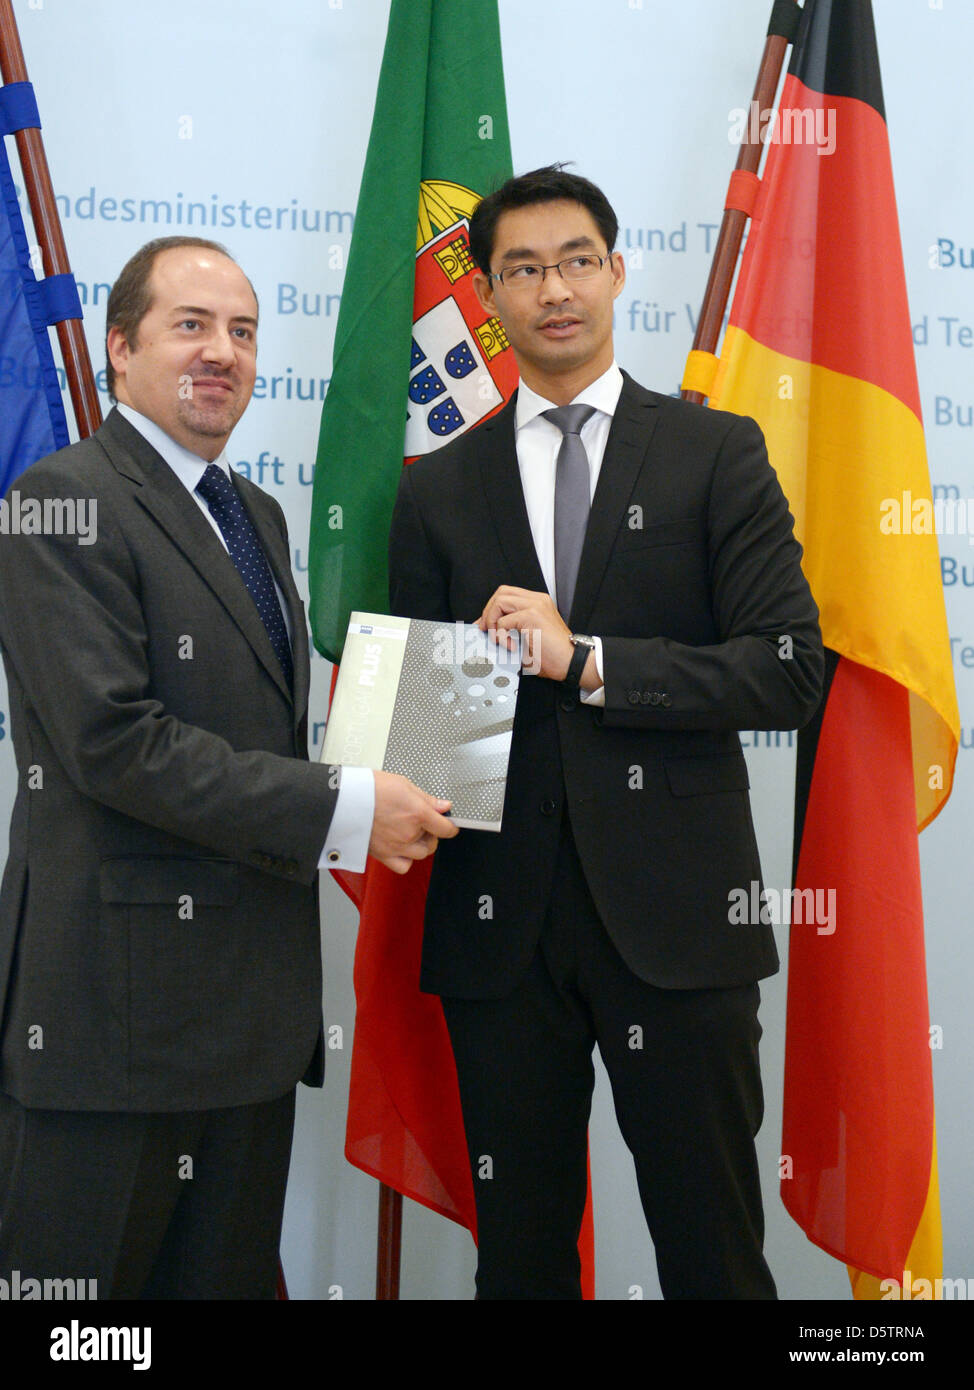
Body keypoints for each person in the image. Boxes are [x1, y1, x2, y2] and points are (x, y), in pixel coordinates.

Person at [388, 166, 824, 1299]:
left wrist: (587, 660)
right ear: (488, 297)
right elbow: (433, 732)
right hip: (500, 926)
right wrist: (392, 772)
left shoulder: (712, 453)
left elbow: (786, 670)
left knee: (712, 1251)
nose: (555, 288)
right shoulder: (439, 486)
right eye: (523, 269)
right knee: (519, 1257)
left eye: (576, 259)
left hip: (678, 924)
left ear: (617, 271)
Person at [0, 235, 456, 1299]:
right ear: (120, 349)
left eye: (243, 332)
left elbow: (255, 738)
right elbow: (118, 744)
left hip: (246, 1024)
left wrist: (435, 729)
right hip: (111, 1028)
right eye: (190, 326)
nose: (223, 353)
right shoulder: (58, 502)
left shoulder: (254, 515)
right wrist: (347, 806)